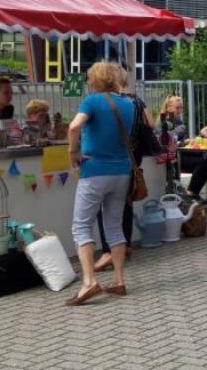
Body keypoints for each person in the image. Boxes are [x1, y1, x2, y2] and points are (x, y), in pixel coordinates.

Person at [65, 61, 136, 305]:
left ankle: (89, 282)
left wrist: (72, 151)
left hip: (95, 170)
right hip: (122, 171)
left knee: (81, 226)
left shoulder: (93, 101)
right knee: (114, 225)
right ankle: (118, 280)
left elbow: (74, 126)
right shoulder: (129, 104)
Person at [94, 71, 157, 274]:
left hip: (111, 157)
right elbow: (151, 124)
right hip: (133, 156)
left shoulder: (107, 102)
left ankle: (107, 251)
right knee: (126, 202)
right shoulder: (136, 101)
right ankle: (126, 245)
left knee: (105, 207)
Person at [155, 95, 187, 192]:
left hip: (175, 154)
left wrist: (183, 142)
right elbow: (163, 142)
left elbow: (177, 140)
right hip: (165, 157)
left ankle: (178, 191)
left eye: (181, 107)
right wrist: (182, 142)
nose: (180, 110)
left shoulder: (177, 121)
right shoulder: (163, 121)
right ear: (168, 107)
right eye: (177, 107)